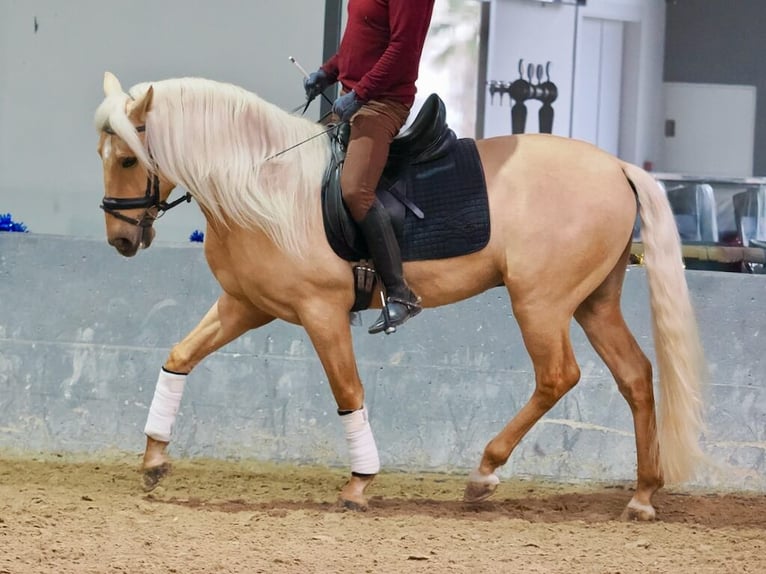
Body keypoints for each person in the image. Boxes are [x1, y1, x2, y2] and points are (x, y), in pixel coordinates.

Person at [304, 0, 436, 335]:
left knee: (355, 191)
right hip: (358, 96)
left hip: (383, 102)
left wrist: (360, 93)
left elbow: (403, 50)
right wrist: (329, 71)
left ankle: (400, 293)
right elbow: (359, 39)